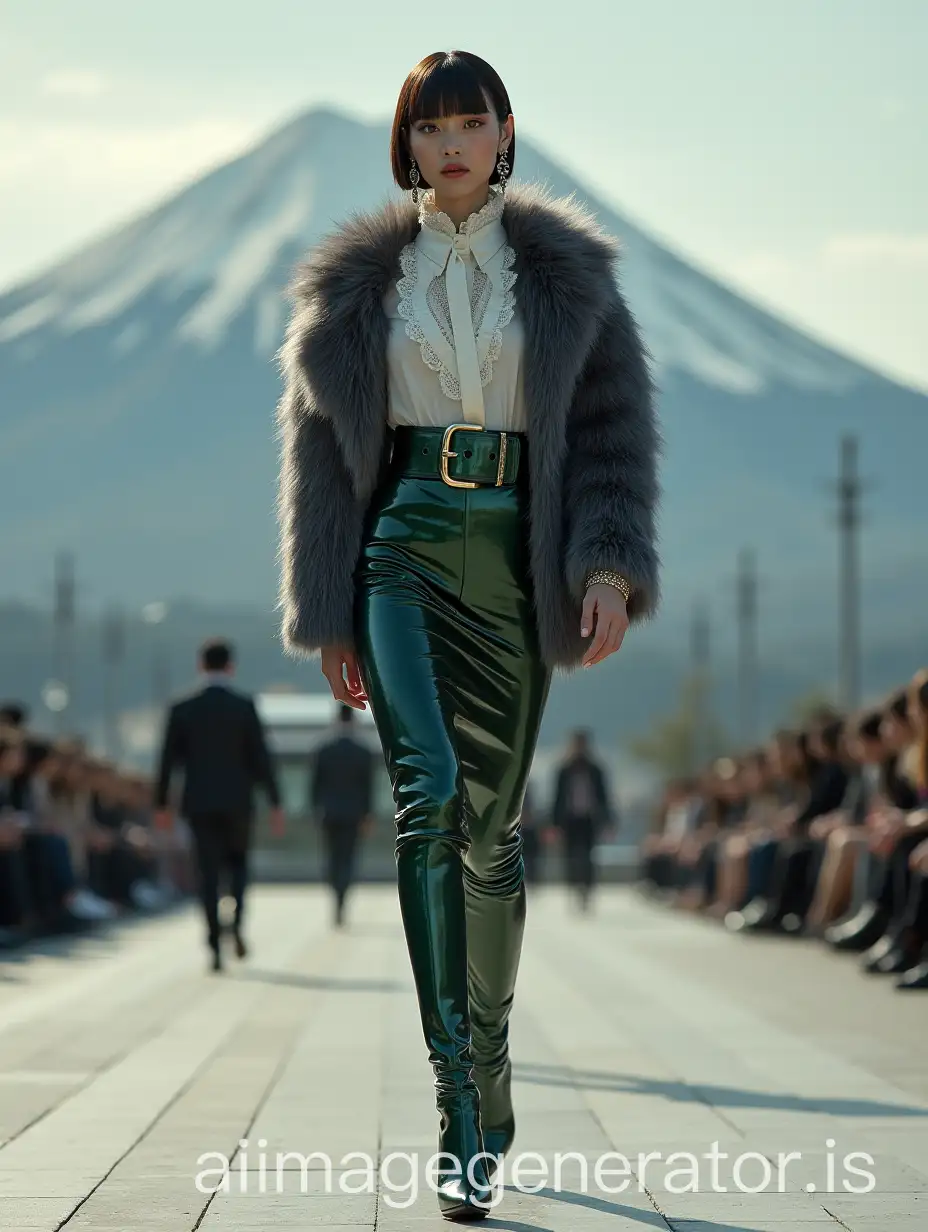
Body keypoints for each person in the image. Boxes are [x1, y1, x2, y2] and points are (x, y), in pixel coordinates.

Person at [275, 50, 661, 1220]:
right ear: (406, 144)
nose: (451, 143)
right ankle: (456, 1104)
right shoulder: (350, 288)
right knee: (429, 796)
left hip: (512, 555)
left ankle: (491, 1068)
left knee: (491, 833)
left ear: (504, 134)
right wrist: (327, 600)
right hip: (397, 543)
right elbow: (318, 464)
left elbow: (609, 437)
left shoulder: (573, 280)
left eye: (471, 122)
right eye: (430, 125)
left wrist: (605, 564)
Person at [153, 638, 285, 971]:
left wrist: (162, 806)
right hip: (239, 801)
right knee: (238, 866)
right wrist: (275, 801)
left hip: (197, 802)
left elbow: (167, 762)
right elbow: (261, 758)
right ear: (231, 666)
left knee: (207, 872)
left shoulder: (182, 708)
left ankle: (213, 944)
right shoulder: (244, 706)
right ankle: (236, 924)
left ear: (200, 665)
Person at [309, 704, 376, 927]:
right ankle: (342, 897)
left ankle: (334, 890)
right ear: (354, 721)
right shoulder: (363, 751)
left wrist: (314, 810)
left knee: (331, 856)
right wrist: (368, 815)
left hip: (329, 813)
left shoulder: (324, 749)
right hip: (354, 813)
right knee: (348, 857)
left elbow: (315, 786)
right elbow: (368, 788)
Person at [551, 729, 616, 911]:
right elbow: (557, 799)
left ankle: (587, 890)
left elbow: (604, 797)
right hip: (569, 820)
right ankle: (574, 889)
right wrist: (553, 825)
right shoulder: (564, 770)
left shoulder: (595, 770)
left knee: (588, 856)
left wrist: (608, 822)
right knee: (570, 856)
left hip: (589, 819)